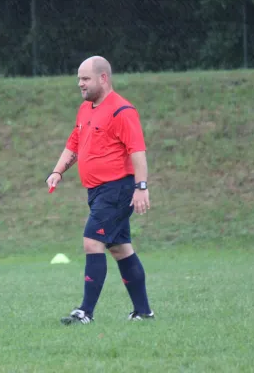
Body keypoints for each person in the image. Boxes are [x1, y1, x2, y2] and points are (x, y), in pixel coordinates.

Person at [46, 56, 154, 324]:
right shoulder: (85, 109)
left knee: (92, 241)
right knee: (119, 248)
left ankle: (85, 312)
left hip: (117, 189)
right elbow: (75, 141)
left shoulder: (122, 111)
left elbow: (137, 151)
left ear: (103, 78)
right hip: (97, 192)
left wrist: (141, 187)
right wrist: (57, 171)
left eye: (85, 79)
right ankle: (144, 312)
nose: (80, 84)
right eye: (79, 79)